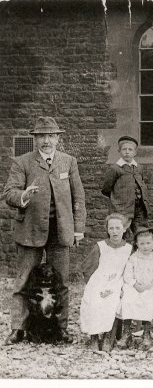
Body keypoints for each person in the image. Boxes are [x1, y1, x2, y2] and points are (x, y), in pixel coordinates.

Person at [2, 116, 87, 345]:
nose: (46, 141)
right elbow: (9, 193)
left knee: (63, 283)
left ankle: (61, 328)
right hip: (30, 230)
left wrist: (78, 229)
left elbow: (78, 197)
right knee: (22, 281)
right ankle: (18, 329)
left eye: (51, 136)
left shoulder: (68, 161)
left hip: (60, 231)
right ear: (35, 139)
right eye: (41, 136)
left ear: (58, 139)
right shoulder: (23, 162)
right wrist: (23, 196)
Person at [80, 213, 132, 352]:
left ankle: (109, 336)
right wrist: (93, 285)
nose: (114, 231)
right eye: (111, 228)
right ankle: (94, 336)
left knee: (114, 301)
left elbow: (130, 271)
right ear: (107, 230)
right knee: (94, 299)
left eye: (117, 228)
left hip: (118, 282)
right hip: (99, 281)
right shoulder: (100, 246)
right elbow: (88, 269)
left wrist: (123, 286)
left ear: (124, 229)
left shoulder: (129, 249)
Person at [117, 227, 153, 349]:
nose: (145, 246)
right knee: (128, 298)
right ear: (137, 244)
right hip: (135, 286)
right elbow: (128, 274)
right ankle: (127, 332)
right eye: (142, 243)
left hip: (150, 286)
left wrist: (150, 285)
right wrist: (134, 284)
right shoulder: (134, 257)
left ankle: (146, 332)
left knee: (147, 299)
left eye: (148, 243)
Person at [101, 136, 150, 239]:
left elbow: (142, 183)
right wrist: (119, 200)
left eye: (130, 149)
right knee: (121, 236)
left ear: (135, 152)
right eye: (124, 149)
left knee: (142, 234)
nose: (127, 152)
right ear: (119, 151)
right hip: (121, 209)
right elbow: (106, 189)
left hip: (139, 209)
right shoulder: (115, 169)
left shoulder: (139, 168)